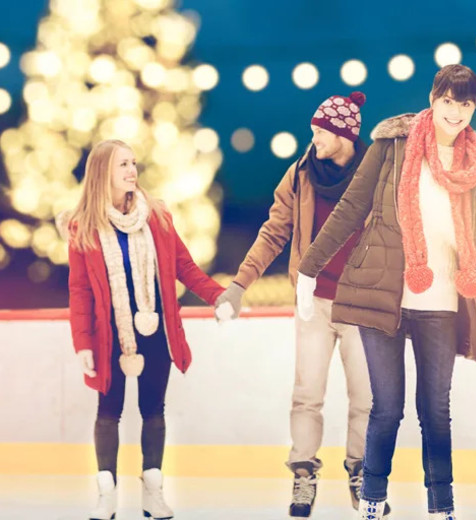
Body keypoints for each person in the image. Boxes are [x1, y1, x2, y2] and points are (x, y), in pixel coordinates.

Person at [296, 64, 476, 520]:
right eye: (447, 100)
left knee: (436, 411)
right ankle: (374, 502)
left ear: (473, 108)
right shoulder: (393, 147)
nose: (455, 112)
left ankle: (442, 506)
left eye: (465, 104)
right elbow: (351, 208)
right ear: (433, 98)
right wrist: (308, 270)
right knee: (387, 409)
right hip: (385, 299)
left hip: (440, 304)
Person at [214, 92, 382, 518]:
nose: (315, 139)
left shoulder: (374, 173)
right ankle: (303, 472)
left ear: (345, 134)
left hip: (361, 305)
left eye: (323, 131)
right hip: (314, 304)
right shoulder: (300, 175)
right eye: (314, 130)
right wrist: (239, 284)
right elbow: (273, 233)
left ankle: (360, 470)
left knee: (365, 398)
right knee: (307, 395)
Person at [61, 139, 225, 520]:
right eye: (123, 165)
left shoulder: (157, 217)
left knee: (154, 410)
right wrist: (83, 342)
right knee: (108, 411)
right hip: (108, 337)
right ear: (103, 173)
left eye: (133, 163)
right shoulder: (83, 226)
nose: (132, 171)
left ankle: (153, 493)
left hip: (156, 332)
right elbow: (80, 290)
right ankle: (107, 496)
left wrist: (219, 296)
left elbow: (185, 267)